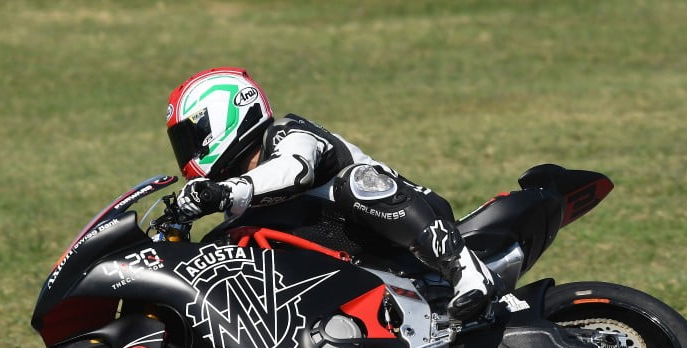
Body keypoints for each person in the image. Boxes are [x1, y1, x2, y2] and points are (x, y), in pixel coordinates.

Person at [166, 67, 500, 320]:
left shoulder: (290, 134)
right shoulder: (238, 199)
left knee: (357, 183)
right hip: (358, 274)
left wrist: (224, 191)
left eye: (190, 137)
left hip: (407, 233)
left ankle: (467, 271)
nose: (186, 152)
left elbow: (295, 171)